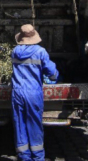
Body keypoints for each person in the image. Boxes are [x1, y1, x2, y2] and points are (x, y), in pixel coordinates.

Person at [11, 24, 59, 160]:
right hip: (33, 92)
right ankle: (38, 157)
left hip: (17, 92)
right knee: (34, 124)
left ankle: (24, 156)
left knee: (20, 124)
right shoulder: (40, 52)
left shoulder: (15, 51)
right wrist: (55, 75)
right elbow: (51, 72)